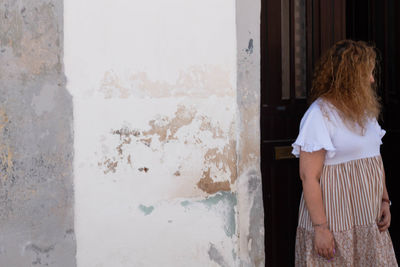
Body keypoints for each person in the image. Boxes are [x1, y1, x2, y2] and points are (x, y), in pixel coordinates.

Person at [292, 40, 398, 266]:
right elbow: (308, 177)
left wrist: (384, 200)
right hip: (335, 222)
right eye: (367, 74)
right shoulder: (319, 114)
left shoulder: (365, 112)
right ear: (349, 76)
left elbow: (374, 160)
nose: (372, 80)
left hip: (367, 218)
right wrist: (321, 229)